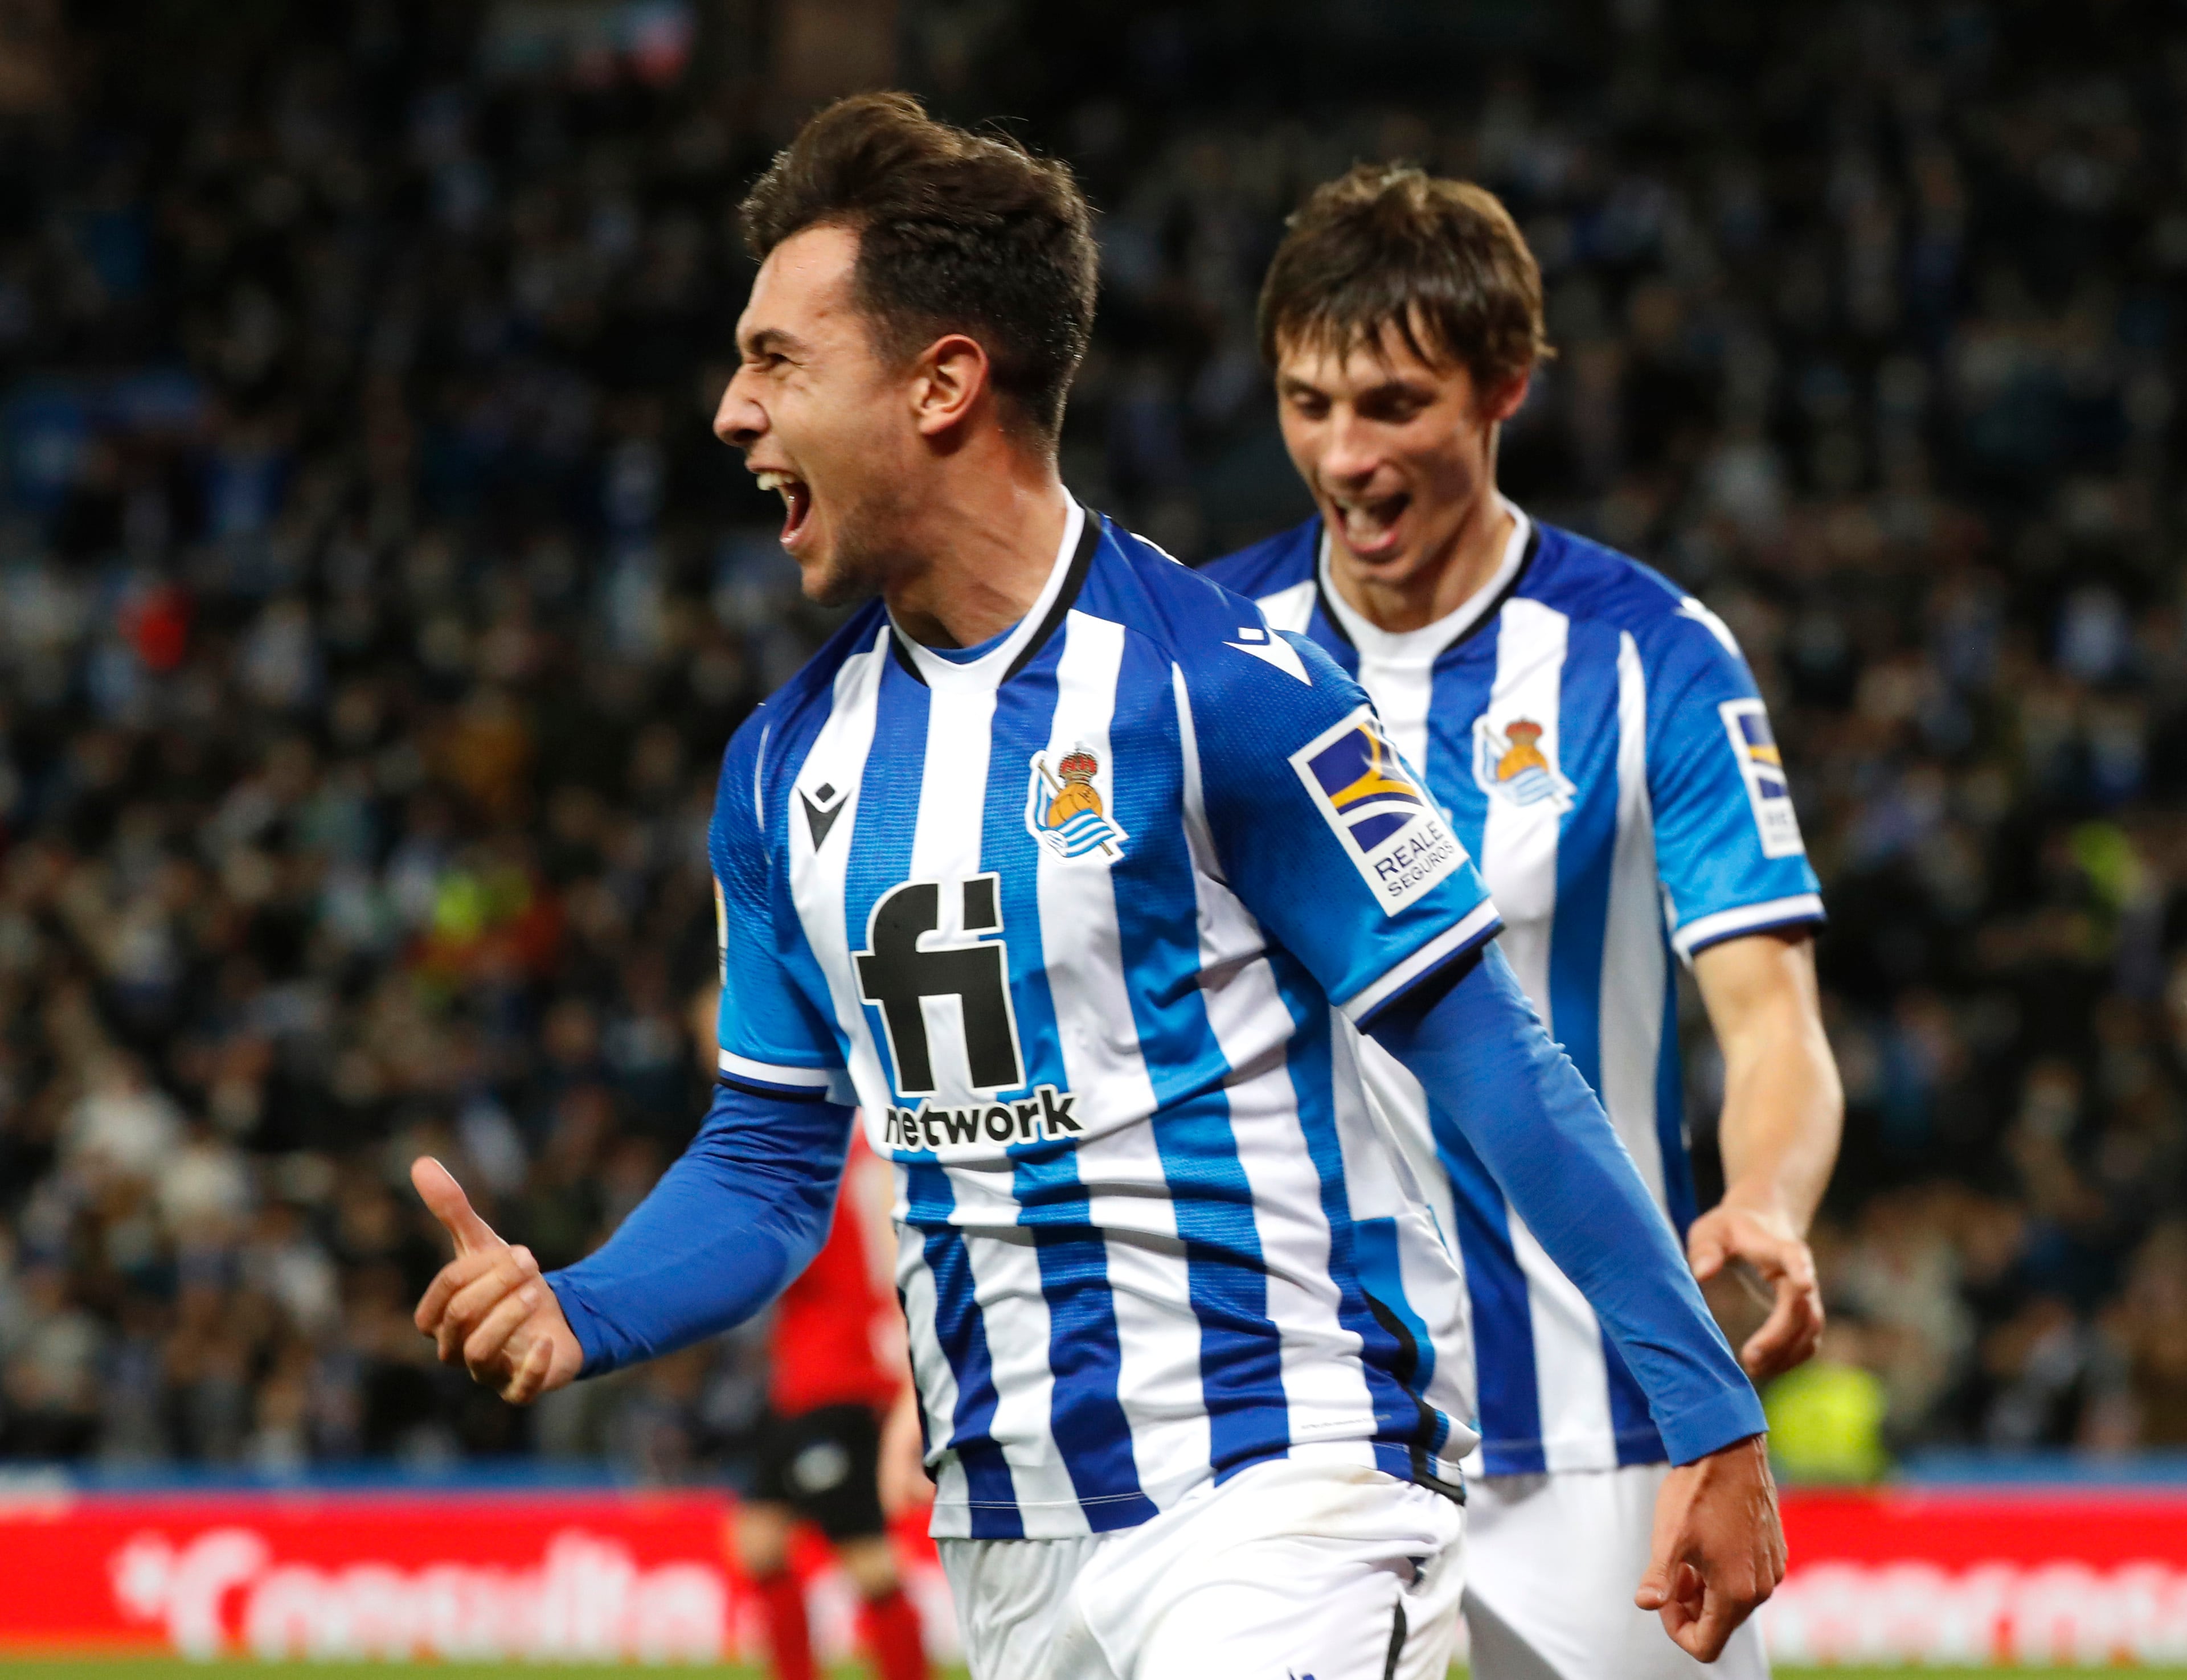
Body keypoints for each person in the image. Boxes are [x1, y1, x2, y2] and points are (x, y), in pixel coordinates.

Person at [408, 94, 1783, 1680]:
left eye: (778, 360)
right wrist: (585, 1305)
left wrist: (1708, 1406)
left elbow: (1486, 1051)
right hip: (1007, 1529)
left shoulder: (1230, 692)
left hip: (1284, 1489)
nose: (731, 411)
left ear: (942, 384)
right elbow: (772, 1158)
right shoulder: (784, 772)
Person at [1202, 163, 1844, 1680]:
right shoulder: (1206, 659)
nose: (1344, 457)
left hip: (1600, 1419)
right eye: (1308, 405)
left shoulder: (1650, 656)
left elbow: (1773, 1020)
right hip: (1301, 1418)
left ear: (1506, 387)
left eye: (1395, 405)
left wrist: (1766, 1197)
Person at [736, 1131, 928, 1680]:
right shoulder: (860, 1152)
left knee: (868, 1559)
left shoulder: (822, 1159)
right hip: (804, 1381)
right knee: (757, 1540)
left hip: (838, 1381)